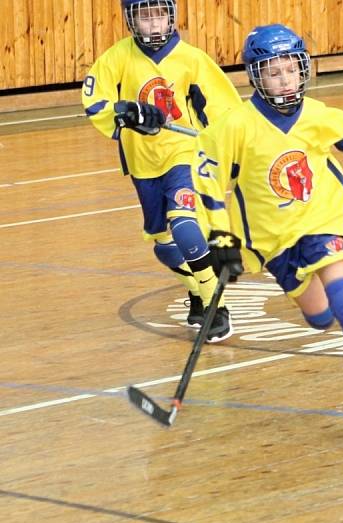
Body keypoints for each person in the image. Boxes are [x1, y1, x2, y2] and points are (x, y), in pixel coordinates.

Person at [192, 24, 343, 437]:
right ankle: (321, 312)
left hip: (321, 219)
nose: (285, 79)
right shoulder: (232, 126)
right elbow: (208, 182)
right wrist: (219, 235)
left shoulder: (321, 116)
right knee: (320, 318)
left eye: (291, 69)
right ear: (256, 77)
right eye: (273, 72)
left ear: (303, 68)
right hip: (272, 239)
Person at [81, 0, 242, 342]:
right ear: (131, 20)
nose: (153, 23)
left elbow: (226, 109)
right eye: (144, 15)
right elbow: (96, 102)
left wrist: (232, 146)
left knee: (185, 225)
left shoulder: (192, 59)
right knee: (165, 245)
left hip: (185, 155)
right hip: (143, 164)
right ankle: (198, 293)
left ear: (171, 16)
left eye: (159, 14)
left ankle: (218, 303)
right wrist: (127, 110)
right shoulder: (117, 57)